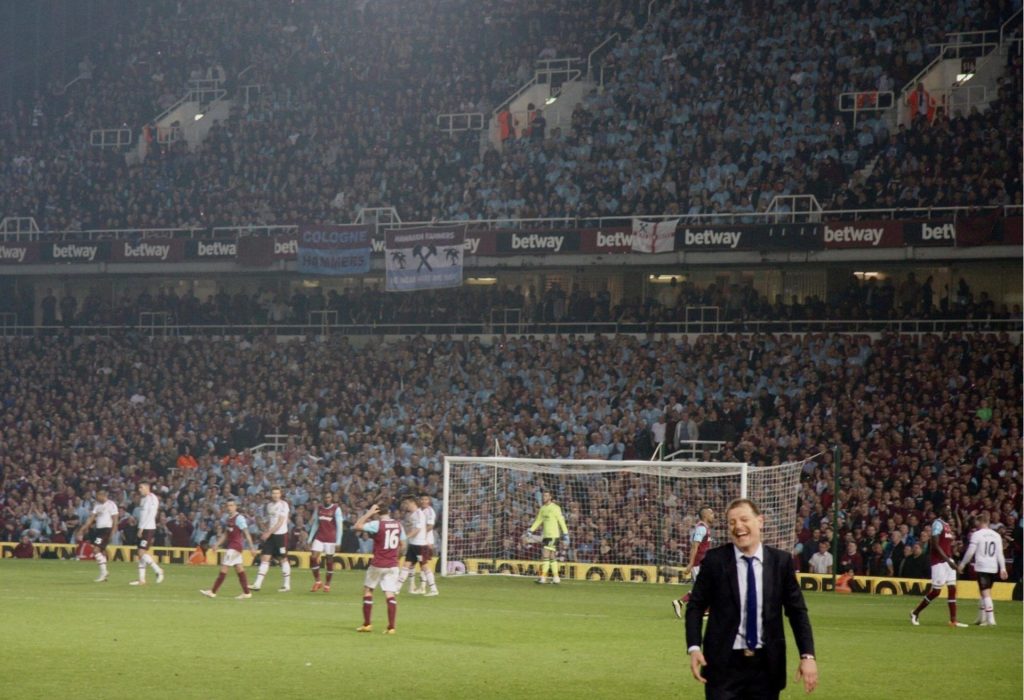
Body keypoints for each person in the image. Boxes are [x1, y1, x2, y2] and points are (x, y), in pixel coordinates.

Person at [686, 498, 818, 698]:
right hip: (723, 665)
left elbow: (797, 611)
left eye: (744, 519)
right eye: (732, 522)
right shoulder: (715, 560)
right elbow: (695, 606)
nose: (738, 526)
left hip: (766, 667)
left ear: (760, 521)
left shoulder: (780, 562)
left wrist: (807, 655)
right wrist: (694, 647)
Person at [910, 505, 967, 627]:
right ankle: (915, 612)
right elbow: (935, 544)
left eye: (949, 509)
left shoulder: (946, 525)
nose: (949, 511)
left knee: (952, 589)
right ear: (941, 512)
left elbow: (946, 544)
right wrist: (948, 561)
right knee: (936, 591)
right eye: (946, 509)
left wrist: (952, 557)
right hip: (939, 562)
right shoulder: (937, 524)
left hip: (947, 560)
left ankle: (953, 620)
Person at [353, 501, 404, 634]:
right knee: (389, 593)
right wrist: (397, 557)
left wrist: (369, 513)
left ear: (378, 513)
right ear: (389, 512)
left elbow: (357, 526)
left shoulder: (377, 524)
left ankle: (367, 624)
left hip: (378, 563)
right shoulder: (399, 525)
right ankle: (391, 627)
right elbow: (403, 544)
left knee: (368, 590)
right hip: (393, 564)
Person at [957, 512, 1007, 626]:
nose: (976, 524)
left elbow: (970, 552)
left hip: (982, 566)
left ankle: (991, 619)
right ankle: (981, 618)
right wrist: (1003, 568)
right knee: (983, 592)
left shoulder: (977, 534)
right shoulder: (996, 535)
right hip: (993, 567)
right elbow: (1000, 553)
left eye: (976, 522)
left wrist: (963, 564)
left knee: (985, 593)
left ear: (980, 522)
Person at [200, 499, 256, 599]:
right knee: (239, 569)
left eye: (231, 505)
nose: (229, 507)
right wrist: (217, 544)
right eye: (228, 506)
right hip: (232, 546)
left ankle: (213, 592)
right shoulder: (229, 519)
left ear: (235, 507)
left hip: (235, 547)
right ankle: (247, 593)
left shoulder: (239, 518)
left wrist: (252, 547)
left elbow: (246, 532)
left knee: (224, 567)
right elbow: (226, 534)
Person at [673, 506, 715, 618]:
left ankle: (681, 602)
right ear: (705, 515)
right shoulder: (701, 528)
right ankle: (704, 610)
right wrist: (691, 563)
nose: (713, 515)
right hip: (698, 563)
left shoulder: (704, 528)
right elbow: (695, 546)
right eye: (711, 513)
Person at [252, 486, 292, 592]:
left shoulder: (284, 505)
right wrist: (265, 528)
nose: (275, 495)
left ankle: (286, 585)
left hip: (281, 535)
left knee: (283, 558)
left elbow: (280, 522)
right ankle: (257, 584)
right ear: (271, 494)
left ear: (280, 494)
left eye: (277, 493)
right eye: (273, 493)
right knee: (265, 558)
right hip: (271, 536)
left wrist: (268, 533)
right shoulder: (269, 505)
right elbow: (271, 521)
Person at [77, 488, 118, 582]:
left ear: (103, 495)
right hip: (99, 530)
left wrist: (113, 532)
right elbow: (91, 518)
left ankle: (104, 573)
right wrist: (82, 529)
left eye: (98, 495)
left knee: (96, 550)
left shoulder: (111, 505)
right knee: (101, 552)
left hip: (106, 530)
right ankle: (105, 573)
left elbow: (115, 520)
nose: (96, 497)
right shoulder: (97, 505)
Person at [528, 490, 568, 584]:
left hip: (553, 535)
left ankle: (543, 577)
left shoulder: (555, 508)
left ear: (550, 497)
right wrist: (531, 530)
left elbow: (561, 520)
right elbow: (538, 521)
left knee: (545, 555)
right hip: (546, 535)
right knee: (552, 556)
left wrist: (565, 533)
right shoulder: (542, 508)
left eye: (546, 496)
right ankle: (556, 578)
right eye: (543, 496)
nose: (544, 497)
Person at [129, 482, 165, 586]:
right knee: (140, 554)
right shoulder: (143, 499)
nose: (139, 489)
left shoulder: (152, 498)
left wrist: (142, 528)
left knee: (141, 552)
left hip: (148, 528)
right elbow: (143, 514)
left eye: (141, 487)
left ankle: (158, 570)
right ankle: (142, 580)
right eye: (139, 487)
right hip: (142, 528)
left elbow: (151, 514)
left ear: (147, 488)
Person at [308, 491, 344, 592]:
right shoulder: (319, 508)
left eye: (328, 497)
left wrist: (338, 541)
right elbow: (315, 524)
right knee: (313, 557)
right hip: (319, 537)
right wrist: (310, 538)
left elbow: (340, 526)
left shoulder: (336, 509)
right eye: (325, 497)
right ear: (322, 498)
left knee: (329, 561)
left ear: (331, 498)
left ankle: (327, 584)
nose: (327, 499)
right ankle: (318, 582)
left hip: (330, 539)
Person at [396, 496, 425, 594]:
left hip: (419, 544)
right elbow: (411, 528)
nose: (406, 506)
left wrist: (405, 537)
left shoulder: (419, 514)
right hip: (413, 544)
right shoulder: (412, 515)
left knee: (424, 567)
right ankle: (398, 588)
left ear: (412, 503)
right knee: (406, 565)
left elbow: (417, 529)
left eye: (407, 503)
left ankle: (429, 588)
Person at [417, 493, 439, 596]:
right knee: (422, 564)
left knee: (424, 564)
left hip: (426, 541)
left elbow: (430, 526)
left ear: (429, 501)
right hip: (421, 541)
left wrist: (419, 534)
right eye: (422, 499)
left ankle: (433, 589)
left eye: (426, 499)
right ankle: (422, 587)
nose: (424, 501)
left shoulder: (430, 512)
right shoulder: (421, 511)